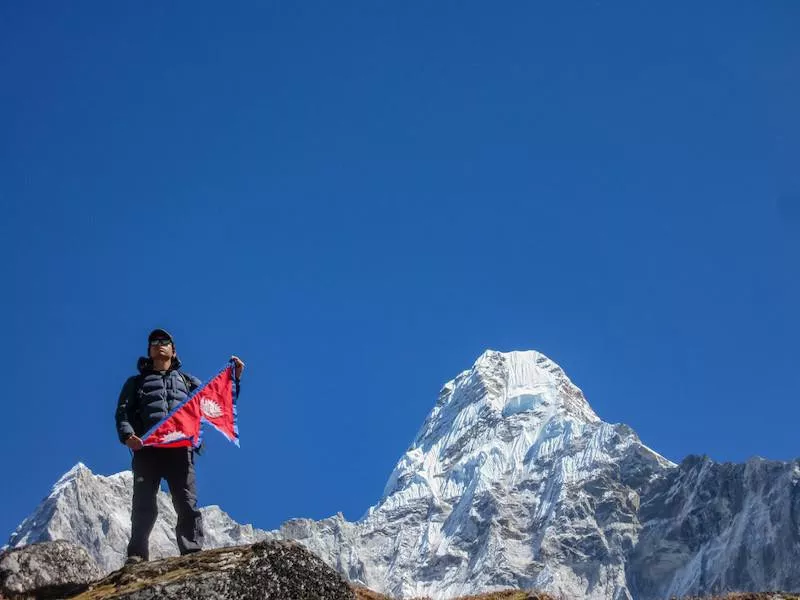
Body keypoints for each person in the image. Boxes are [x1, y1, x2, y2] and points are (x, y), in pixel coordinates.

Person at [115, 328, 245, 565]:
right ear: (149, 350)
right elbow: (122, 413)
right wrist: (128, 436)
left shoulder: (187, 381)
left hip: (181, 449)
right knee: (143, 503)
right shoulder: (135, 383)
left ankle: (192, 551)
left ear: (173, 351)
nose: (159, 344)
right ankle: (136, 555)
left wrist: (234, 378)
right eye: (154, 342)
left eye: (164, 341)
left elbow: (215, 401)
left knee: (186, 502)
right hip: (147, 449)